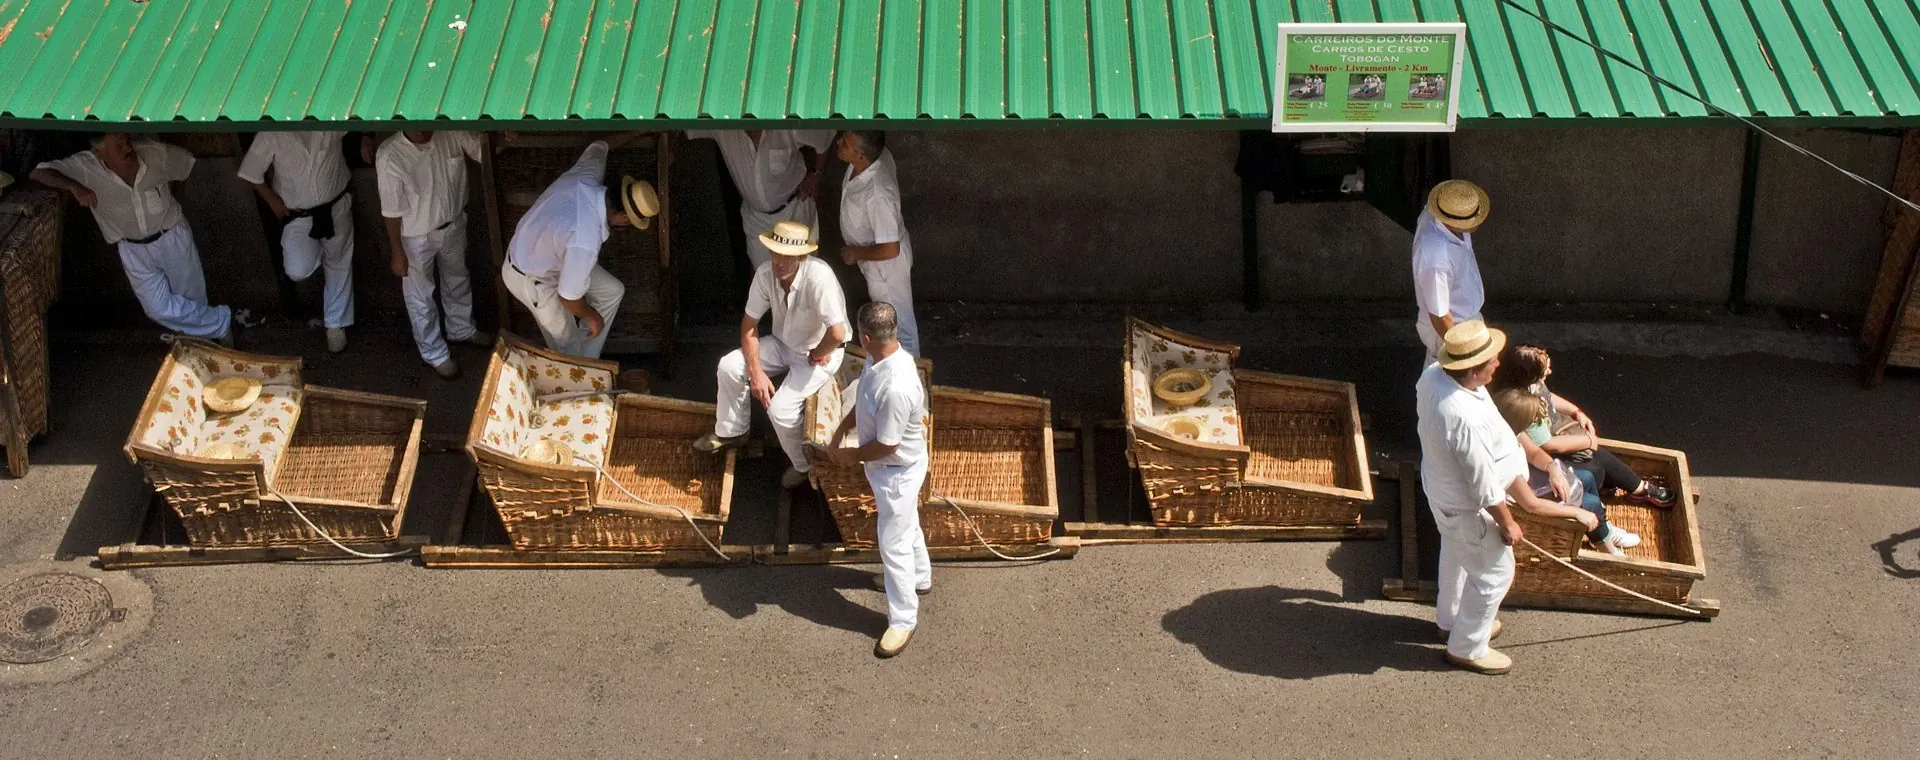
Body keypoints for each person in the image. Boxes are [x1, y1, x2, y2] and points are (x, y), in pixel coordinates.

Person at [1417, 320, 1598, 675]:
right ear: (1470, 371)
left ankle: (1452, 620)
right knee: (1495, 574)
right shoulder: (1463, 419)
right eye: (1490, 362)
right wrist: (1508, 521)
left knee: (1455, 557)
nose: (1497, 365)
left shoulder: (1435, 375)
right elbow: (1483, 483)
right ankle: (1467, 646)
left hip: (1443, 492)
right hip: (1466, 505)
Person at [31, 134, 235, 344]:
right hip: (132, 248)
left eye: (126, 141)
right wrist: (75, 187)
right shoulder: (84, 166)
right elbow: (39, 172)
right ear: (100, 153)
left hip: (171, 236)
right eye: (119, 146)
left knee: (192, 299)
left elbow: (185, 166)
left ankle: (203, 350)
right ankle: (220, 322)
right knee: (156, 308)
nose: (128, 148)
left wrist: (176, 201)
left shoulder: (155, 153)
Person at [694, 219, 849, 490]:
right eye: (775, 252)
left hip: (820, 351)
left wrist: (818, 353)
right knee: (729, 366)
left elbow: (836, 333)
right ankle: (733, 432)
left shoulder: (818, 277)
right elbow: (748, 327)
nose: (780, 262)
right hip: (783, 344)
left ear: (802, 256)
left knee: (780, 411)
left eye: (787, 256)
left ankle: (805, 468)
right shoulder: (766, 274)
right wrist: (756, 372)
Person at [813, 302, 931, 658]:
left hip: (897, 472)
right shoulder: (881, 358)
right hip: (890, 469)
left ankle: (903, 619)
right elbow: (863, 401)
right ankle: (920, 577)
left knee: (892, 544)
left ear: (865, 336)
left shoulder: (897, 387)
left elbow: (888, 444)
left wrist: (850, 455)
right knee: (907, 526)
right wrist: (840, 432)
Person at [502, 133, 656, 360]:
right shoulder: (586, 237)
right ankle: (576, 373)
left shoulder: (587, 175)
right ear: (623, 216)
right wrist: (591, 316)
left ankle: (586, 362)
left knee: (612, 291)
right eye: (630, 221)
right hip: (531, 277)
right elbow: (568, 297)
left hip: (545, 254)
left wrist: (639, 130)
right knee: (566, 345)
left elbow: (600, 144)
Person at [1491, 343, 1678, 510]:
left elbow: (1549, 397)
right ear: (1529, 376)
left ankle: (1634, 488)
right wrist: (1588, 441)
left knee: (1598, 460)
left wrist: (1576, 412)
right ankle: (1636, 490)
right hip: (1544, 456)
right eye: (1545, 369)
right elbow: (1547, 446)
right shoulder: (1522, 405)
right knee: (1596, 467)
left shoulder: (1533, 385)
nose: (1549, 372)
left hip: (1552, 442)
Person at [237, 131, 369, 353]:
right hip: (299, 215)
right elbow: (251, 172)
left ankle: (335, 325)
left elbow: (358, 118)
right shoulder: (272, 133)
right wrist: (271, 200)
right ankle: (320, 254)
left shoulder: (328, 119)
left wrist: (367, 137)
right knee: (297, 269)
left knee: (339, 263)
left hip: (336, 205)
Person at [375, 130, 490, 378]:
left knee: (458, 278)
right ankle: (434, 353)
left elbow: (484, 152)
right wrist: (397, 251)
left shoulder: (449, 131)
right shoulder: (390, 154)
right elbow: (391, 210)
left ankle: (461, 329)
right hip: (415, 236)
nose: (426, 126)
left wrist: (504, 138)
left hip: (453, 223)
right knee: (420, 297)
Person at [1492, 388, 1640, 556]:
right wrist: (1577, 512)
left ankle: (1602, 529)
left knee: (1587, 477)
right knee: (1590, 504)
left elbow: (1534, 453)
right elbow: (1531, 505)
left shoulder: (1513, 431)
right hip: (1523, 501)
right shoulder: (1504, 460)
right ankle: (1607, 549)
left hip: (1530, 482)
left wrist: (1552, 469)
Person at [684, 129, 834, 270]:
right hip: (756, 220)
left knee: (800, 277)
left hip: (794, 211)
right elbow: (683, 122)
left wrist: (816, 174)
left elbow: (825, 136)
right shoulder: (725, 128)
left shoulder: (787, 123)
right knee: (766, 282)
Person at [835, 130, 919, 357]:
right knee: (891, 320)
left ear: (861, 156)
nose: (838, 142)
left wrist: (855, 252)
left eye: (846, 143)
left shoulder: (877, 193)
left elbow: (890, 248)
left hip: (886, 267)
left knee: (899, 326)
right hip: (876, 262)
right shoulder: (874, 158)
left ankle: (913, 377)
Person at [1411, 179, 1489, 362]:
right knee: (1456, 381)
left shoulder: (1438, 212)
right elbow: (1439, 315)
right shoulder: (1437, 259)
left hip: (1466, 320)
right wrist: (1461, 354)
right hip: (1454, 328)